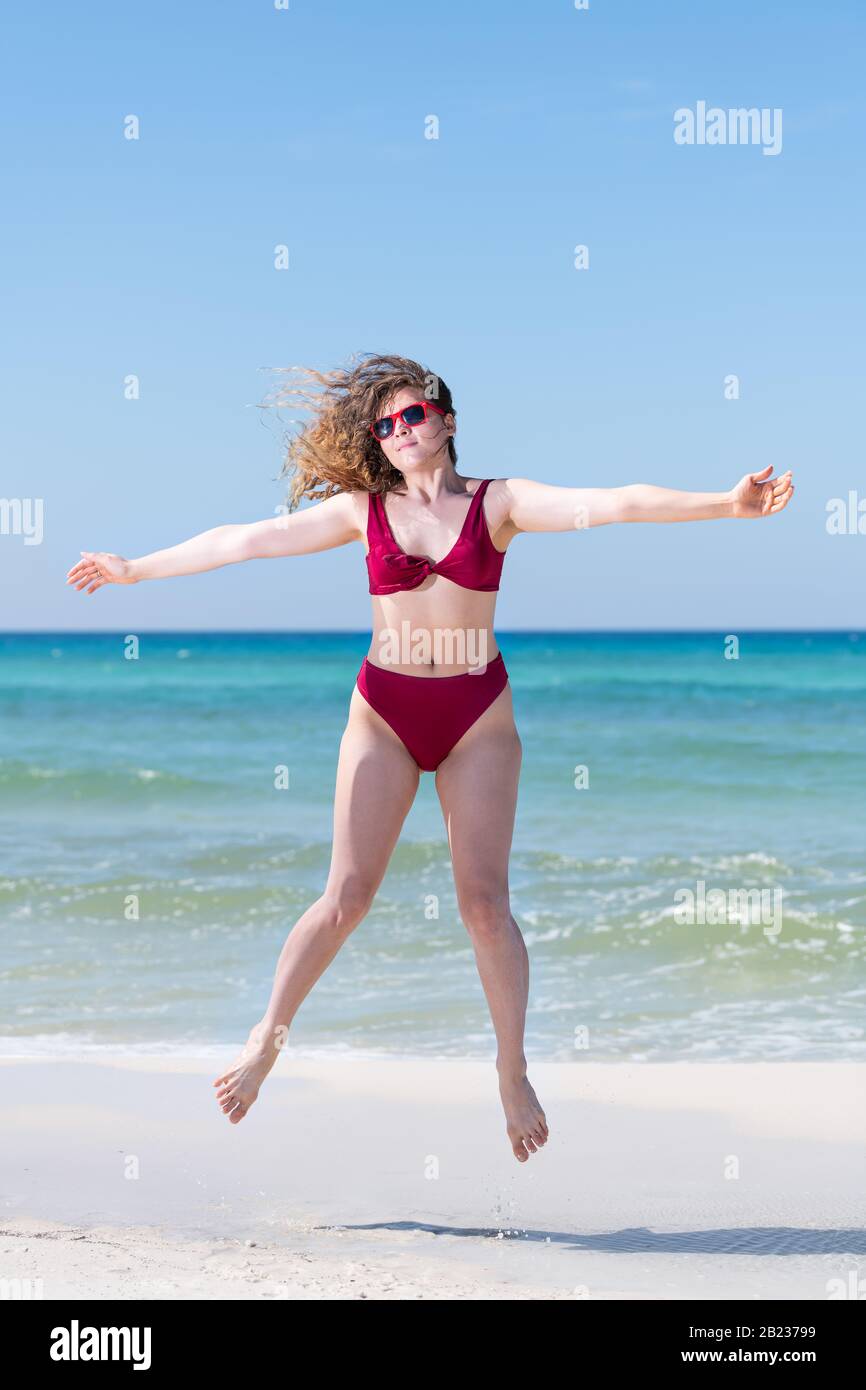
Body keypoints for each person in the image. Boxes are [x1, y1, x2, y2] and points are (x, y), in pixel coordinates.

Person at [66, 352, 794, 1162]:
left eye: (414, 415)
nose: (401, 430)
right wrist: (138, 569)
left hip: (476, 715)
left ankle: (511, 1070)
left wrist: (725, 504)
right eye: (386, 424)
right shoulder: (359, 511)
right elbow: (248, 541)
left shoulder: (499, 504)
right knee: (345, 896)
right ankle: (267, 1036)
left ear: (446, 420)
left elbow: (612, 502)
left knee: (485, 905)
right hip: (384, 712)